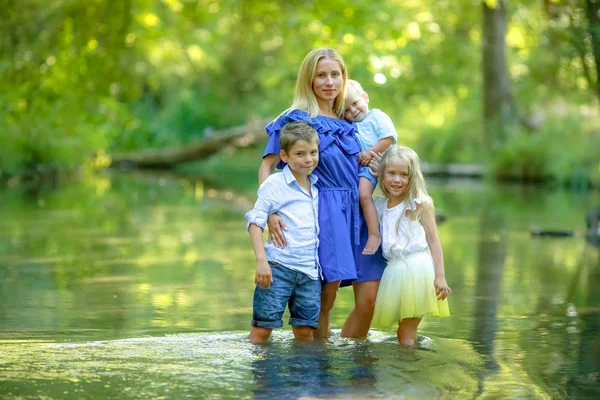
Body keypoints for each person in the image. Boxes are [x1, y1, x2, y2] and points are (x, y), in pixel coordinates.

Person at [258, 48, 386, 339]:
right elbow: (267, 168)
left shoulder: (350, 120)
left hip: (360, 212)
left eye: (335, 75)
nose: (329, 82)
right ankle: (316, 366)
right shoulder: (296, 119)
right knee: (324, 299)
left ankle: (355, 371)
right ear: (309, 79)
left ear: (344, 78)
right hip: (322, 211)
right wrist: (270, 212)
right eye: (321, 75)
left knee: (367, 300)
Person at [246, 121, 321, 344]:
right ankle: (263, 376)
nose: (308, 159)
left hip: (309, 273)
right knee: (262, 330)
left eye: (313, 152)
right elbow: (255, 222)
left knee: (305, 333)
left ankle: (302, 377)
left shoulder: (317, 185)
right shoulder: (274, 184)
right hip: (278, 268)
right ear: (284, 156)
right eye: (300, 153)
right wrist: (261, 261)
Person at [370, 145, 451, 347]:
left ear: (412, 177)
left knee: (406, 332)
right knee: (402, 331)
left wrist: (440, 276)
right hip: (394, 271)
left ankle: (408, 373)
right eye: (391, 173)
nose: (397, 180)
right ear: (382, 174)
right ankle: (405, 369)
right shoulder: (381, 204)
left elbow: (433, 240)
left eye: (403, 175)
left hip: (416, 269)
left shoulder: (418, 204)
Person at [344, 79, 397, 255]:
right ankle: (376, 232)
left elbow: (388, 138)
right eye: (346, 110)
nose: (353, 111)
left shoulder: (376, 116)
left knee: (369, 195)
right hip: (367, 167)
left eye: (355, 103)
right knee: (365, 195)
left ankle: (377, 234)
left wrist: (370, 152)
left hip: (382, 162)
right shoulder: (352, 125)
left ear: (365, 97)